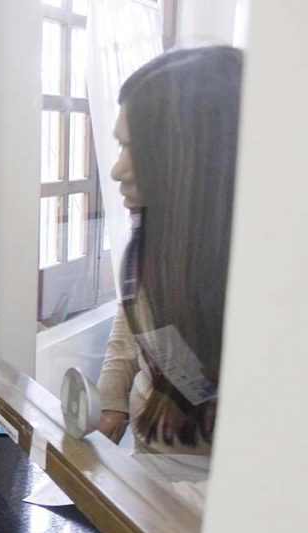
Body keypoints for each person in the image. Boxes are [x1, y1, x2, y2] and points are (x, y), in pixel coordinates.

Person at [96, 46, 242, 460]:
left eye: (137, 150)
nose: (118, 170)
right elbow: (134, 323)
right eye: (120, 146)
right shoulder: (157, 239)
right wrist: (111, 402)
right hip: (152, 464)